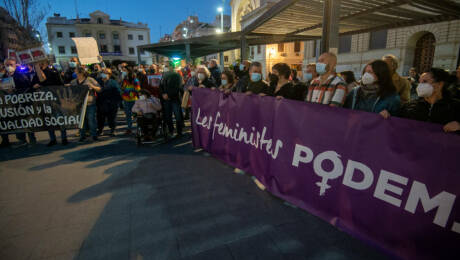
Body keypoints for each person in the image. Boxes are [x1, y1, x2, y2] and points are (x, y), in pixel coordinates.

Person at [400, 68, 460, 133]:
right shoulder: (411, 105)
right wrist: (387, 113)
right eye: (420, 82)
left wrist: (459, 125)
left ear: (440, 84)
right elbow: (396, 120)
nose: (420, 85)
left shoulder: (455, 107)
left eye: (425, 81)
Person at [1, 58, 41, 147]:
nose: (9, 67)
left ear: (15, 65)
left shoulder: (20, 75)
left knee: (27, 121)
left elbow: (27, 87)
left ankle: (32, 139)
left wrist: (16, 90)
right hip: (11, 104)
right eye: (7, 65)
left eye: (11, 65)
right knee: (17, 122)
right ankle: (22, 140)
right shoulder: (3, 77)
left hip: (23, 103)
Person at [34, 60, 69, 147]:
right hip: (45, 100)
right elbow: (34, 83)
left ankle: (64, 138)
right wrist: (34, 85)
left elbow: (60, 83)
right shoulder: (38, 73)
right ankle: (53, 139)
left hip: (55, 99)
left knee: (59, 118)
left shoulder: (53, 72)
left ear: (43, 62)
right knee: (49, 119)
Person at [70, 66, 101, 142]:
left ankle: (94, 135)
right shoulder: (73, 82)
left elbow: (99, 89)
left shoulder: (90, 80)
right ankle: (82, 135)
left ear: (81, 72)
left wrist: (93, 87)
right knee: (81, 121)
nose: (75, 73)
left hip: (90, 104)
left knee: (91, 120)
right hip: (79, 105)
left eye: (76, 71)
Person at [160, 64, 184, 137]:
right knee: (168, 116)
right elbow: (160, 86)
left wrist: (168, 95)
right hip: (166, 99)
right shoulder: (164, 75)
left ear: (172, 67)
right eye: (165, 66)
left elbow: (178, 87)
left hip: (175, 99)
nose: (165, 67)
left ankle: (179, 132)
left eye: (167, 66)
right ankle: (171, 131)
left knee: (178, 116)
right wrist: (163, 94)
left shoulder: (177, 75)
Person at [97, 68, 121, 136]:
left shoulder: (113, 82)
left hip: (111, 103)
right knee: (100, 118)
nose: (104, 74)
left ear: (109, 75)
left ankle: (113, 130)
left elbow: (118, 92)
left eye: (106, 73)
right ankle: (100, 130)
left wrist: (116, 102)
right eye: (103, 72)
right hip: (101, 103)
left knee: (112, 118)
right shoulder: (98, 81)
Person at [121, 69, 141, 135]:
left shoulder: (133, 80)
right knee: (135, 114)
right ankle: (136, 128)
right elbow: (138, 89)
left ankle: (131, 128)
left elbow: (123, 88)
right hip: (131, 99)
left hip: (129, 99)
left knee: (129, 114)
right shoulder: (135, 80)